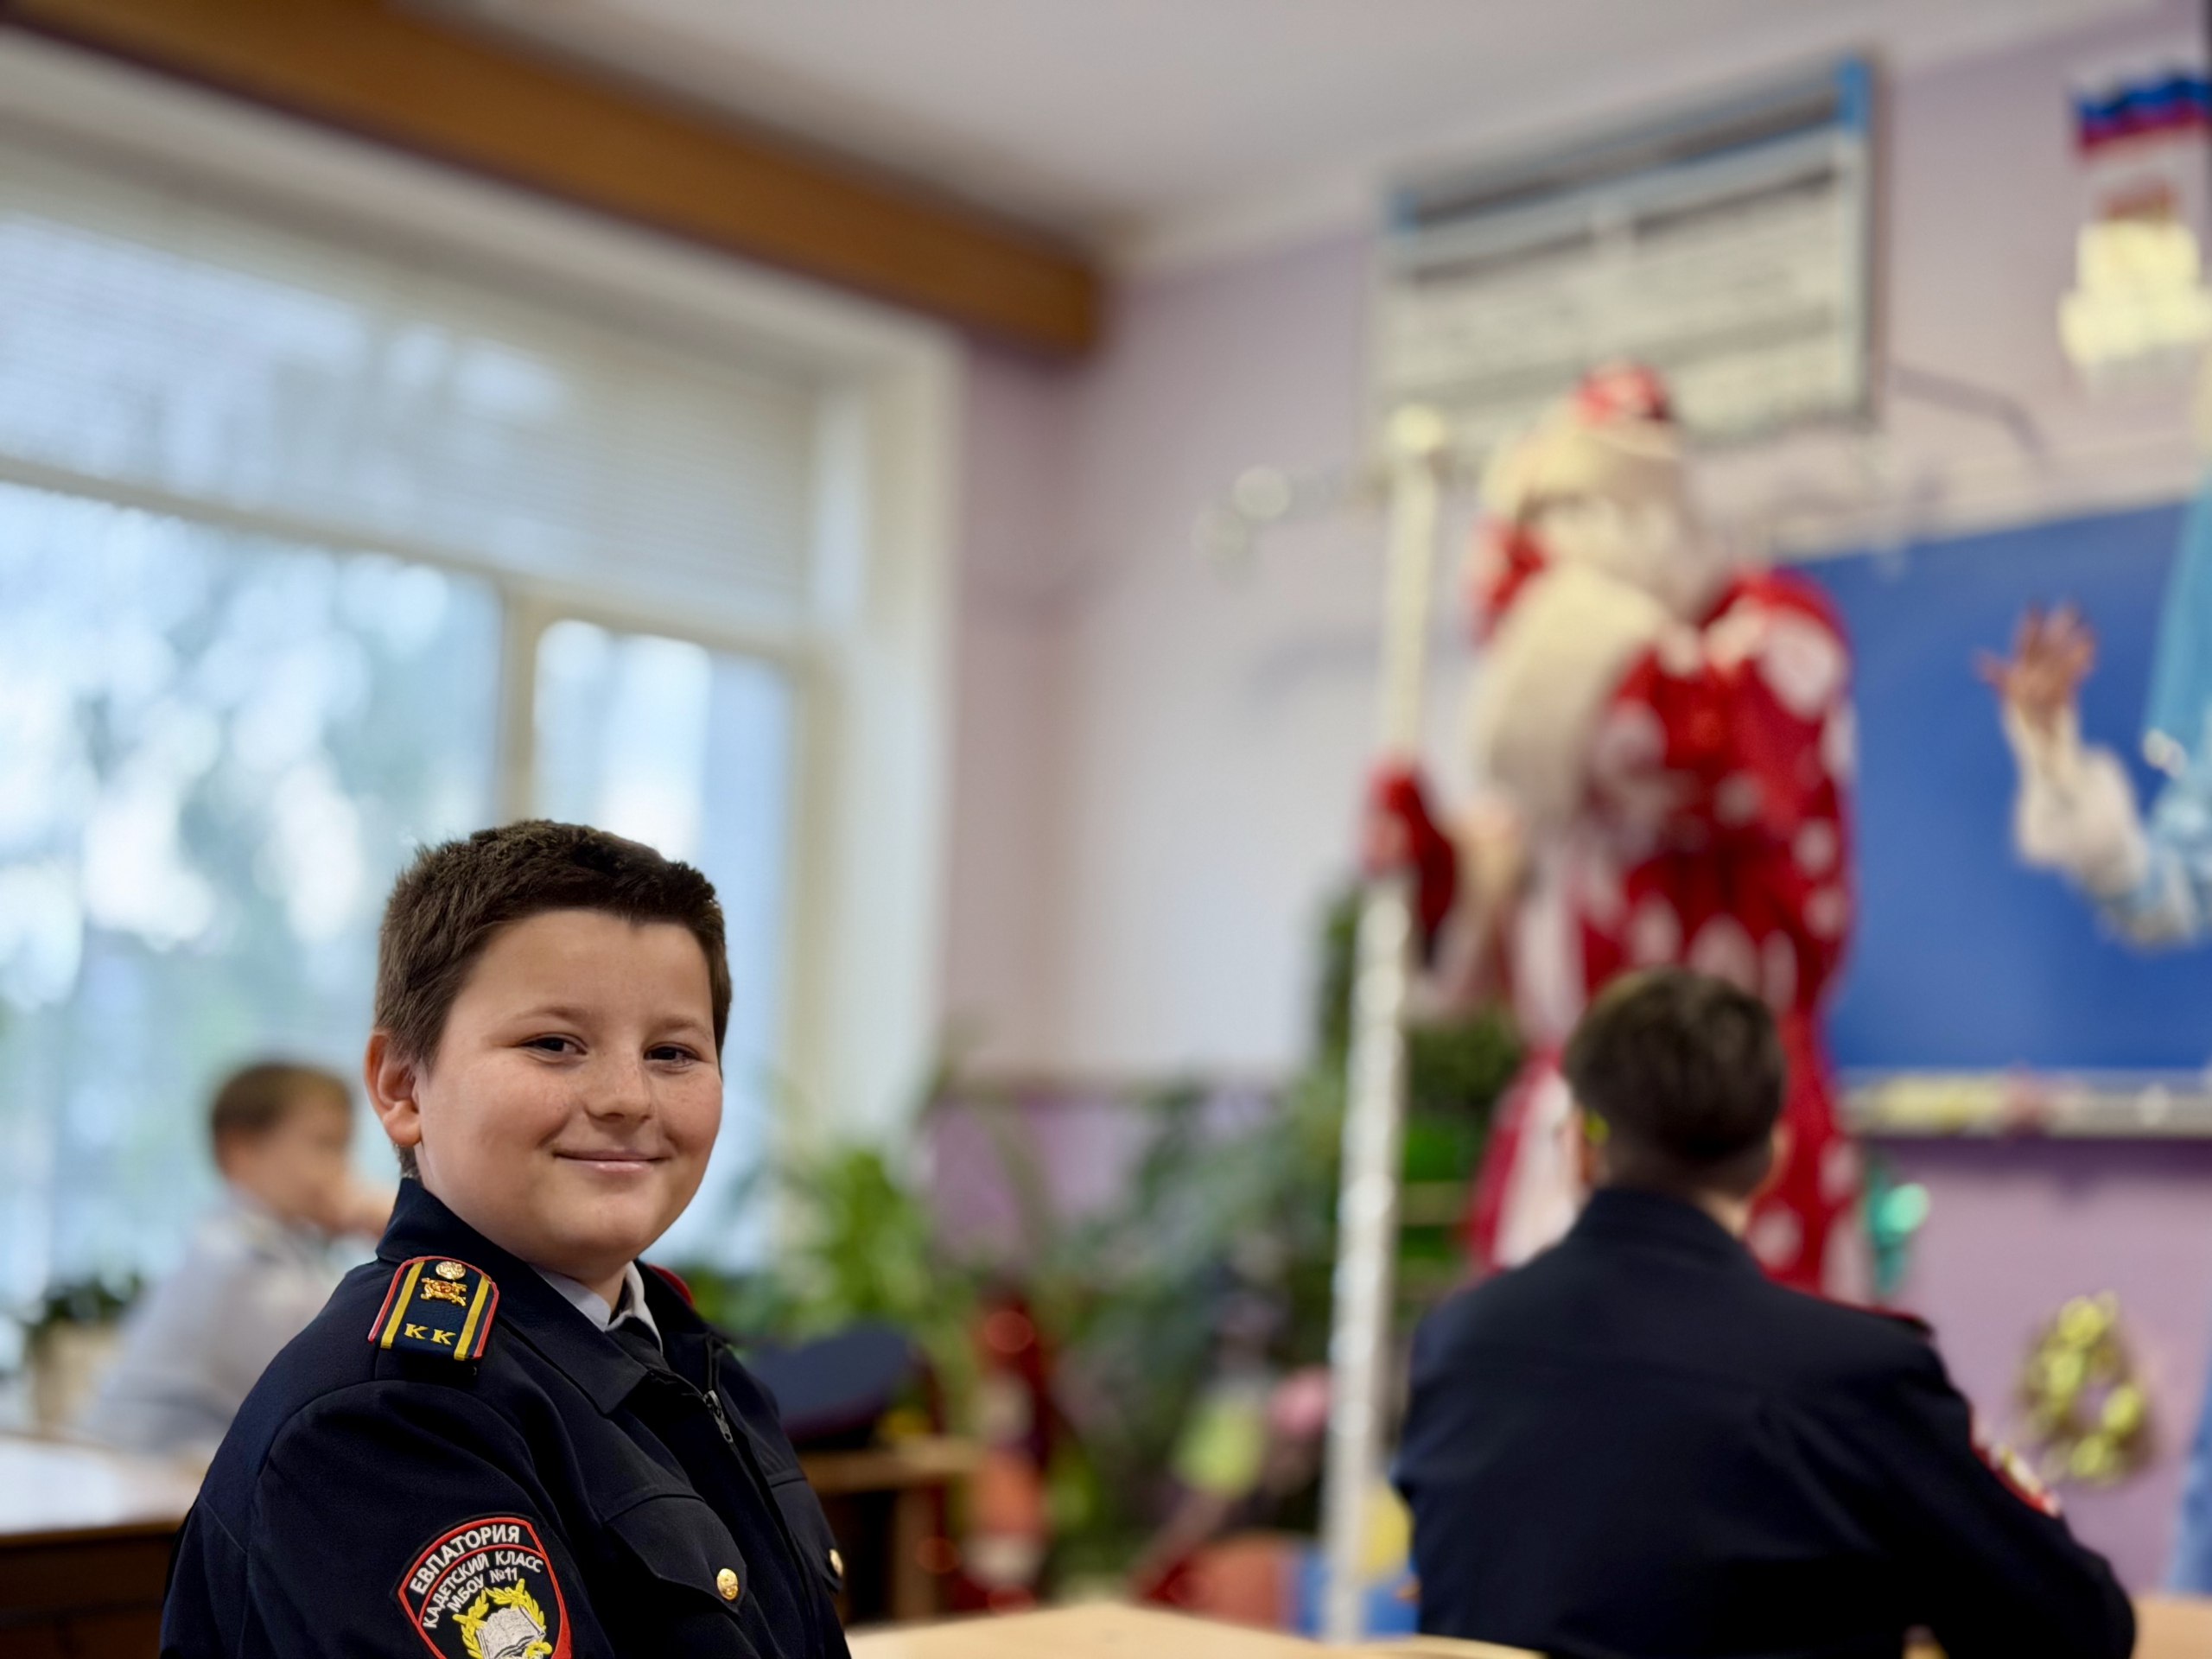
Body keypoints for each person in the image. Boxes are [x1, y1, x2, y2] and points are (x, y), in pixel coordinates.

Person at [162, 822, 850, 1659]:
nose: (628, 1097)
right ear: (402, 1085)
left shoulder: (693, 1367)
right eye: (553, 1045)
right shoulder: (389, 1419)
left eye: (673, 1052)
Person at [1395, 968, 2134, 1659]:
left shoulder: (1458, 1346)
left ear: (1580, 1151)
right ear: (1774, 1159)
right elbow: (2077, 1628)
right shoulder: (1856, 1377)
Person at [1371, 365, 1859, 1294]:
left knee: (1725, 1405)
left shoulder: (1774, 633)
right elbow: (1499, 911)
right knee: (1548, 1406)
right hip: (1570, 1123)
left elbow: (1692, 755)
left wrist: (1557, 627)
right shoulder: (1584, 695)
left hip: (1731, 1124)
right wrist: (1429, 862)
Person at [79, 1061, 391, 1461]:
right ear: (241, 1150)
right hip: (142, 1499)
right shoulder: (237, 1265)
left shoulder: (277, 1250)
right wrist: (399, 1226)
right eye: (325, 1145)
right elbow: (356, 1375)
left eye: (345, 1148)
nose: (343, 1170)